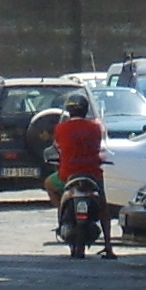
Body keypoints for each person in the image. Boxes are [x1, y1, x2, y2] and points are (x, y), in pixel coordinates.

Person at [50, 91, 111, 255]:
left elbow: (57, 147)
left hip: (67, 174)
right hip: (93, 174)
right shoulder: (95, 128)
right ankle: (108, 245)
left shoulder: (60, 128)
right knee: (104, 207)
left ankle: (61, 211)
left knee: (49, 184)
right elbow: (99, 147)